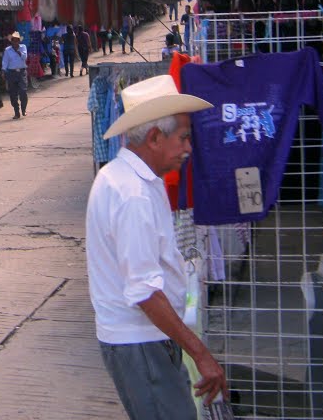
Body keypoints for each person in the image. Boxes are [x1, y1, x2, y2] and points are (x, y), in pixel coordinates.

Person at [86, 75, 228, 419]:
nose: (188, 148)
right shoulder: (132, 194)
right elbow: (144, 292)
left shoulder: (131, 180)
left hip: (146, 340)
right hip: (141, 342)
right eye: (183, 139)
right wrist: (200, 353)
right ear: (153, 137)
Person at [2, 31, 29, 120]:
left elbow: (25, 57)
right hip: (11, 72)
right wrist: (3, 70)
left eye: (17, 40)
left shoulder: (23, 47)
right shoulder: (7, 50)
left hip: (21, 72)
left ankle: (23, 108)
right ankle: (16, 111)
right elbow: (5, 61)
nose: (15, 42)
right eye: (13, 40)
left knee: (23, 91)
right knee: (13, 94)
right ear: (11, 41)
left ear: (19, 41)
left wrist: (18, 51)